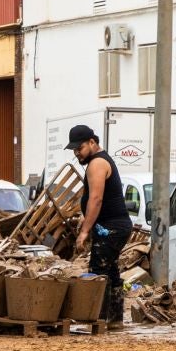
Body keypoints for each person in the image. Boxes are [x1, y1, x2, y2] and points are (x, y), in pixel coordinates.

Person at [67, 124, 132, 323]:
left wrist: (84, 231)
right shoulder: (101, 161)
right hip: (114, 227)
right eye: (74, 150)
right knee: (110, 271)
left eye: (80, 148)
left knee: (99, 271)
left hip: (111, 228)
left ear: (92, 142)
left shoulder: (97, 163)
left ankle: (101, 321)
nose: (77, 153)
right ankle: (114, 321)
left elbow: (96, 199)